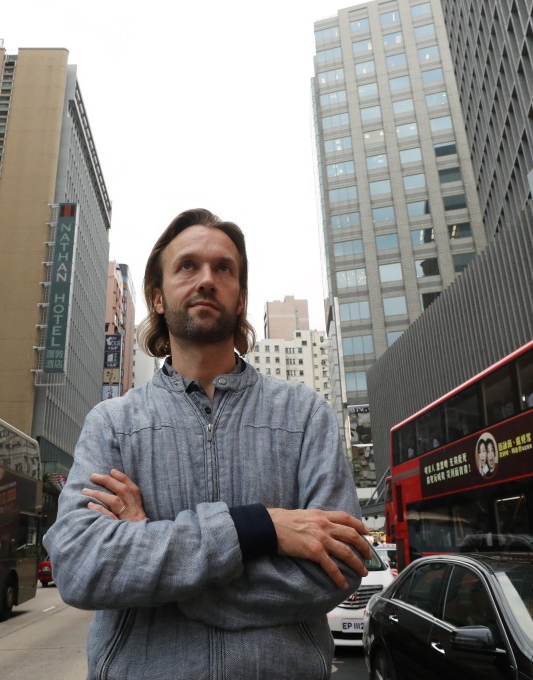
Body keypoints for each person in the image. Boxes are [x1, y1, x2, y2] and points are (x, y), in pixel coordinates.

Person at [42, 208, 369, 680]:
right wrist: (259, 528)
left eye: (224, 268)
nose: (207, 279)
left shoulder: (303, 414)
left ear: (240, 300)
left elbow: (343, 562)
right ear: (157, 297)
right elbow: (78, 565)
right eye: (187, 266)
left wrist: (159, 559)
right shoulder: (113, 424)